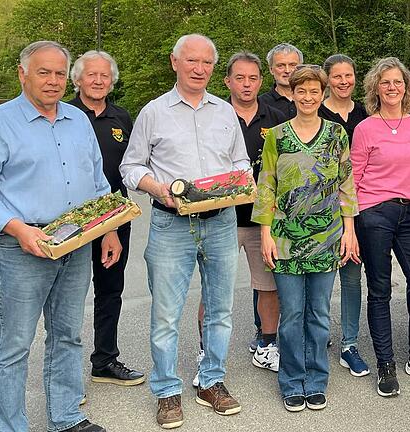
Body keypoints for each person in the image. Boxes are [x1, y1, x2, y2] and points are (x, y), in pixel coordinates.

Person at [0, 40, 118, 432]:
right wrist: (19, 229)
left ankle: (66, 418)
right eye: (43, 72)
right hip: (22, 249)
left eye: (59, 73)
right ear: (23, 73)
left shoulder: (78, 120)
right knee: (14, 345)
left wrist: (110, 229)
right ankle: (9, 426)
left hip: (77, 245)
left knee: (67, 336)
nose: (52, 81)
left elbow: (98, 182)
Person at [120, 34, 249, 428]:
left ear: (214, 68)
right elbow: (131, 167)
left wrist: (243, 180)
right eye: (191, 61)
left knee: (220, 310)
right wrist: (157, 188)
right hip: (170, 223)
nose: (199, 69)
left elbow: (240, 159)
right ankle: (166, 390)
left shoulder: (225, 112)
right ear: (174, 62)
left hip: (221, 223)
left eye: (206, 63)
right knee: (166, 314)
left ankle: (211, 381)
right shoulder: (154, 112)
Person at [252, 65, 359, 412]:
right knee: (292, 313)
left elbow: (346, 184)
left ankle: (316, 380)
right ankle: (291, 381)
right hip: (284, 238)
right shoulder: (277, 136)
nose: (308, 98)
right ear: (293, 94)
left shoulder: (336, 133)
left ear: (322, 93)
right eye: (302, 91)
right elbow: (266, 184)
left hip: (327, 236)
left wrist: (350, 230)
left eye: (315, 91)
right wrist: (265, 233)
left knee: (319, 313)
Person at [351, 57, 410, 398]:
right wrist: (351, 225)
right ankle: (386, 364)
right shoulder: (365, 128)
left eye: (398, 82)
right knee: (379, 290)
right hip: (373, 213)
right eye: (385, 82)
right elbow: (353, 180)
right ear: (376, 88)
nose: (392, 88)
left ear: (407, 87)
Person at [197, 51, 285, 380]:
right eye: (239, 78)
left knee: (268, 286)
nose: (246, 84)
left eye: (252, 78)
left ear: (261, 81)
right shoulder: (212, 116)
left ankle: (267, 345)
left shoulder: (277, 117)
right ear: (227, 81)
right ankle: (206, 353)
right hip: (220, 218)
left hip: (262, 221)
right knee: (212, 289)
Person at [68, 50, 145, 387]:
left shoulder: (121, 118)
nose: (98, 81)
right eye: (91, 75)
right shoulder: (64, 114)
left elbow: (131, 165)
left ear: (112, 80)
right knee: (66, 296)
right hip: (70, 220)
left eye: (104, 76)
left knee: (110, 289)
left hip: (114, 218)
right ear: (78, 79)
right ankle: (64, 376)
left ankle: (105, 360)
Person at [319, 54, 371, 377]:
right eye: (337, 76)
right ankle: (318, 336)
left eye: (348, 75)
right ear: (327, 80)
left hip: (357, 207)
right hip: (321, 208)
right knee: (322, 279)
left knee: (352, 277)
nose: (343, 81)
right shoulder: (315, 111)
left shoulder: (365, 113)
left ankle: (349, 344)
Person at [259, 43, 304, 120]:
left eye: (292, 65)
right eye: (281, 65)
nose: (287, 70)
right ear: (271, 69)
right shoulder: (260, 104)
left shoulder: (312, 101)